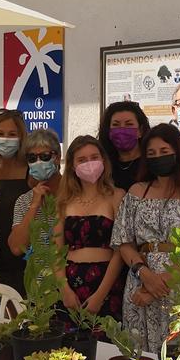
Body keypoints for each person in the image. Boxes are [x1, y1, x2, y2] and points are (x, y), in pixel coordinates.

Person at [111, 123, 180, 353]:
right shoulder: (136, 192)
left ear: (178, 152)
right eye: (151, 153)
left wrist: (158, 284)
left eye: (164, 151)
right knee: (139, 355)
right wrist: (145, 275)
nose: (157, 157)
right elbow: (124, 243)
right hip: (140, 281)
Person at [54, 136, 125, 321]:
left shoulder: (116, 196)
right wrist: (64, 290)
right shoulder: (63, 201)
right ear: (72, 166)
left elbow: (120, 250)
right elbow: (56, 252)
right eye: (82, 160)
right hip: (70, 283)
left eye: (94, 157)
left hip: (106, 282)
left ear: (103, 160)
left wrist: (100, 295)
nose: (89, 163)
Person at [0, 109, 29, 291]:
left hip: (28, 258)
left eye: (12, 134)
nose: (5, 139)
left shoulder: (31, 169)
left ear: (21, 138)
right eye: (0, 134)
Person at [7, 129, 62, 266]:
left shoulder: (74, 193)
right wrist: (34, 205)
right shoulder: (24, 201)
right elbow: (16, 248)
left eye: (45, 156)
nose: (38, 162)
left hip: (71, 275)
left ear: (57, 157)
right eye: (32, 158)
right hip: (38, 278)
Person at [97, 101, 151, 191]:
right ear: (109, 131)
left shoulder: (151, 162)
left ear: (140, 131)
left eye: (129, 124)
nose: (122, 129)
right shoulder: (103, 165)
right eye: (116, 125)